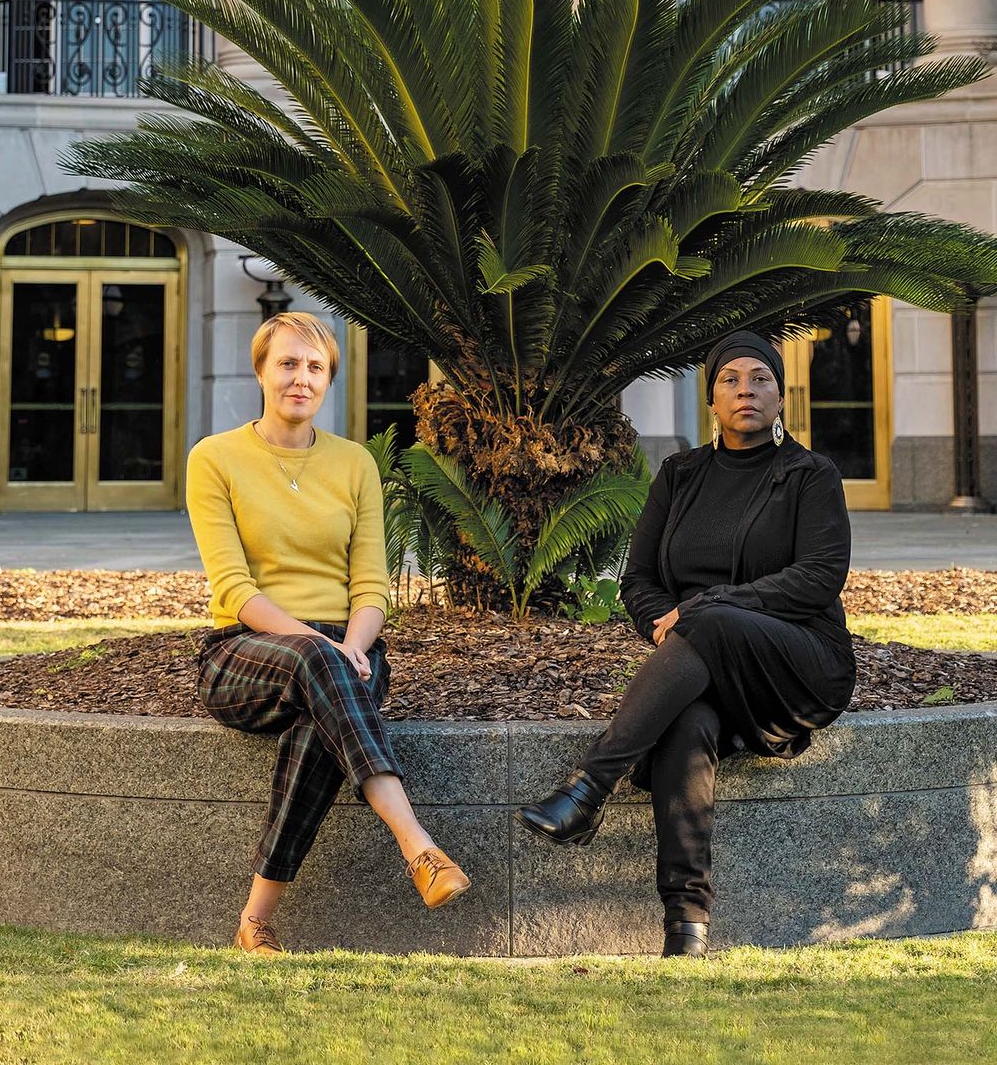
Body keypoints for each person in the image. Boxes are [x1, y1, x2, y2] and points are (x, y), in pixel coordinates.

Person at [518, 330, 856, 958]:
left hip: (799, 662)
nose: (746, 390)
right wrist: (664, 621)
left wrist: (707, 606)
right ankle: (687, 924)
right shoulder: (680, 474)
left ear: (782, 396)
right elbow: (638, 581)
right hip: (704, 659)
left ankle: (591, 786)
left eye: (761, 378)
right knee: (687, 721)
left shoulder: (810, 475)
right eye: (731, 379)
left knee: (715, 617)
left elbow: (818, 577)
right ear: (711, 398)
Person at [188, 310, 470, 955]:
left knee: (321, 724)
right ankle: (417, 845)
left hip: (349, 650)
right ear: (260, 370)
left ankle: (255, 921)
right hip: (244, 651)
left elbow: (371, 588)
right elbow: (234, 589)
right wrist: (323, 646)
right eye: (287, 363)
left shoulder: (354, 464)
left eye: (315, 367)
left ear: (329, 381)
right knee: (320, 668)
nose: (300, 378)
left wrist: (352, 646)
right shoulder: (216, 458)